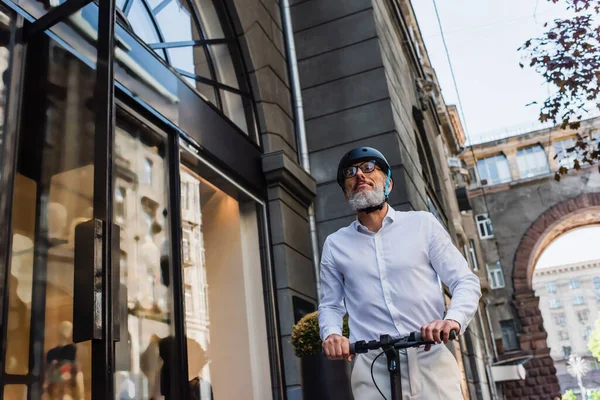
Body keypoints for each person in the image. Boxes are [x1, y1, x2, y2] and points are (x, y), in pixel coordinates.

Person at [318, 147, 482, 399]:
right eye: (351, 173)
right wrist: (332, 334)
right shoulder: (335, 244)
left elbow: (464, 280)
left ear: (389, 184)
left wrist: (453, 320)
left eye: (369, 168)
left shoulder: (423, 225)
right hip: (372, 367)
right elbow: (330, 305)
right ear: (345, 193)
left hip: (430, 359)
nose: (360, 174)